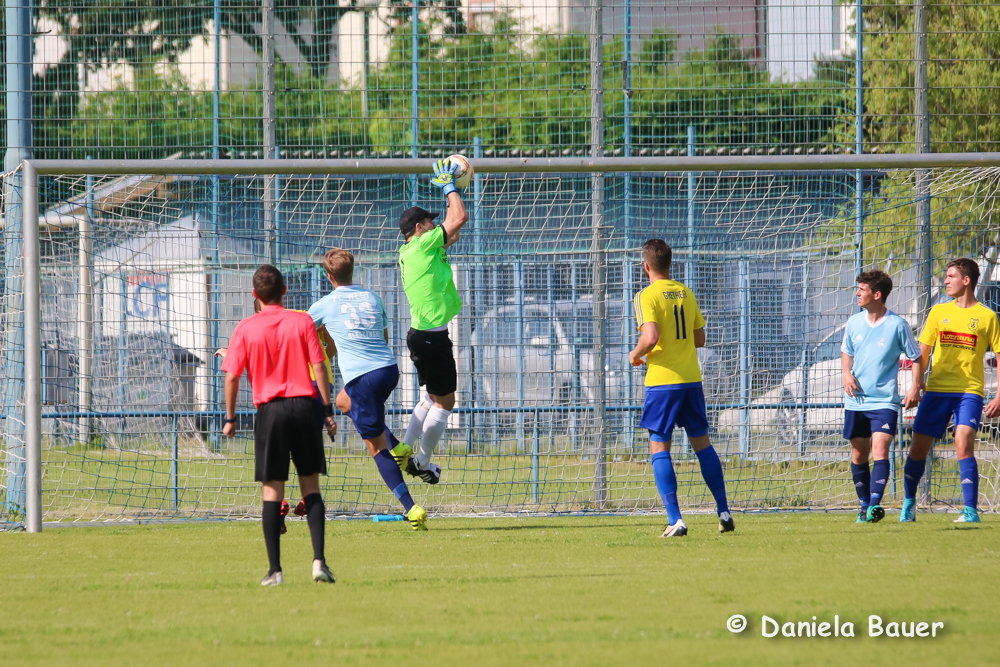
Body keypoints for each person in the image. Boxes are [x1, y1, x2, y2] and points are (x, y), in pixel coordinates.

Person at [221, 264, 338, 586]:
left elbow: (231, 376)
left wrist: (230, 418)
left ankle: (275, 571)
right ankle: (319, 562)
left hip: (270, 412)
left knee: (272, 491)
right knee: (311, 488)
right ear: (285, 291)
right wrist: (326, 410)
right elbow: (319, 366)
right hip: (304, 408)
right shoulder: (301, 321)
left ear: (255, 295)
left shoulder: (246, 327)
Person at [308, 248, 428, 531]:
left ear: (329, 276)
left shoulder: (324, 304)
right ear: (353, 271)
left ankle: (412, 509)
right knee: (343, 401)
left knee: (375, 447)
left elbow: (297, 330)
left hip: (363, 378)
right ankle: (398, 445)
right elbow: (383, 337)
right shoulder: (373, 297)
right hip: (388, 370)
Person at [628, 239, 734, 537]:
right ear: (670, 264)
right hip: (691, 380)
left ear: (646, 266)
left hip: (663, 383)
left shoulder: (646, 295)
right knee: (703, 446)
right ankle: (724, 511)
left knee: (659, 445)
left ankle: (675, 519)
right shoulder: (686, 292)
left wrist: (635, 354)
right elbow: (700, 339)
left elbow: (650, 337)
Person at [901, 258, 1000, 524]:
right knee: (917, 450)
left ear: (966, 280)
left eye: (950, 276)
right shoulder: (938, 312)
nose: (945, 281)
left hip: (969, 392)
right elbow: (921, 352)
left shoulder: (988, 317)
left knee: (963, 442)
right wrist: (916, 383)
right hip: (937, 391)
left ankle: (970, 511)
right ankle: (909, 503)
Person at [396, 158, 469, 485]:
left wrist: (453, 194)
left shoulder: (414, 249)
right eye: (429, 221)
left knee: (429, 397)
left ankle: (405, 447)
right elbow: (460, 218)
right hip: (431, 338)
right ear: (419, 229)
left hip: (422, 335)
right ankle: (422, 462)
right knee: (446, 402)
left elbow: (454, 230)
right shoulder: (422, 245)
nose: (433, 224)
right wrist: (450, 187)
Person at [840, 269, 923, 524]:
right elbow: (847, 351)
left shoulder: (898, 325)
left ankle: (875, 504)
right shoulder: (854, 322)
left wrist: (915, 386)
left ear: (877, 295)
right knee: (858, 455)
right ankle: (864, 506)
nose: (857, 293)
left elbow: (916, 356)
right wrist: (846, 374)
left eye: (862, 289)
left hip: (884, 401)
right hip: (856, 400)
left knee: (880, 449)